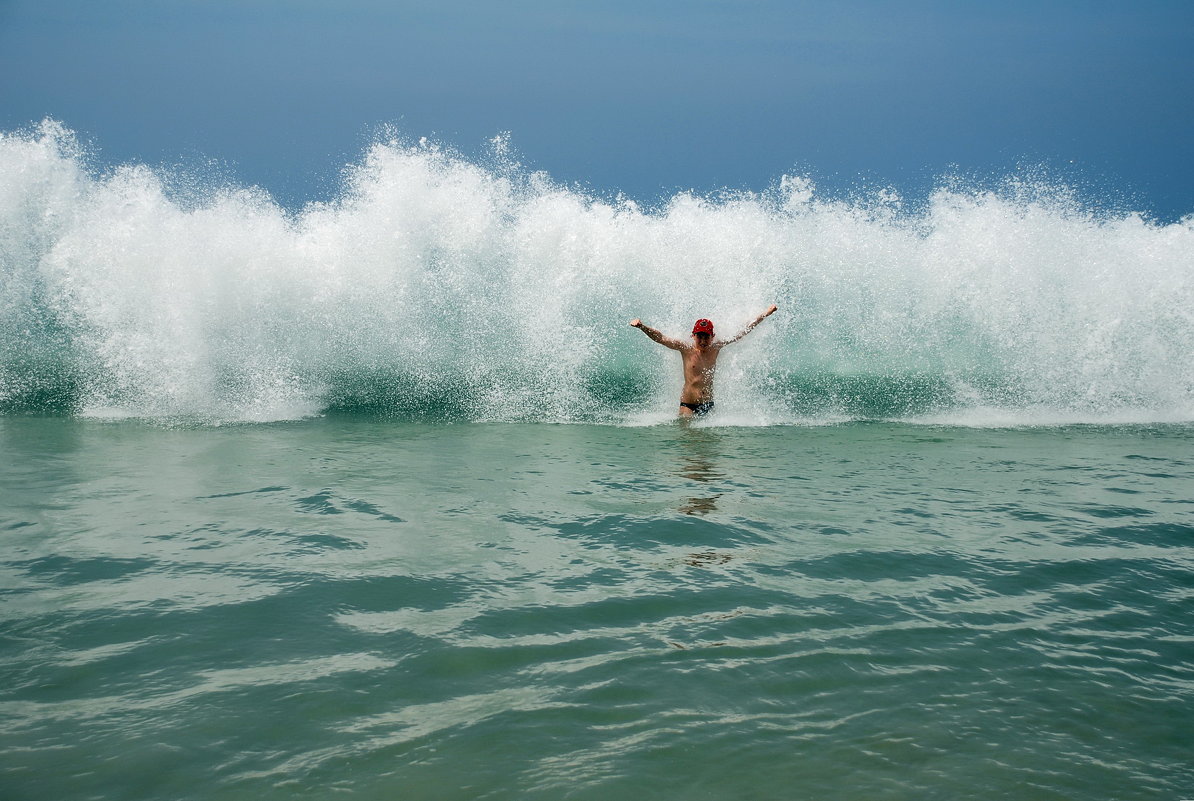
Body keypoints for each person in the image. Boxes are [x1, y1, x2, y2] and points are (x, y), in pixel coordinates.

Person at [629, 305, 778, 417]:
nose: (703, 340)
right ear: (693, 335)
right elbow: (661, 338)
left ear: (712, 336)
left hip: (708, 404)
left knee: (708, 447)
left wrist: (766, 314)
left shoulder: (716, 348)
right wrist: (642, 327)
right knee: (689, 439)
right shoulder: (685, 349)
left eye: (706, 336)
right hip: (688, 405)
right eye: (699, 336)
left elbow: (743, 331)